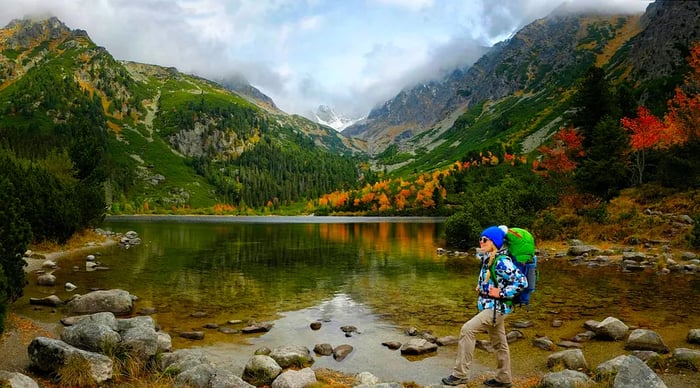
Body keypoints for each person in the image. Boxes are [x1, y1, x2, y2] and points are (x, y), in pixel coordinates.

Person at [442, 226, 528, 387]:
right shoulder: (490, 258)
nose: (481, 242)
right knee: (499, 343)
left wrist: (501, 293)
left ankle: (460, 374)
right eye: (480, 239)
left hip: (496, 309)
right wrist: (481, 287)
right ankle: (504, 378)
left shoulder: (502, 261)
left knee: (467, 330)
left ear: (494, 242)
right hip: (491, 307)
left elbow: (522, 282)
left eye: (485, 239)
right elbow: (492, 280)